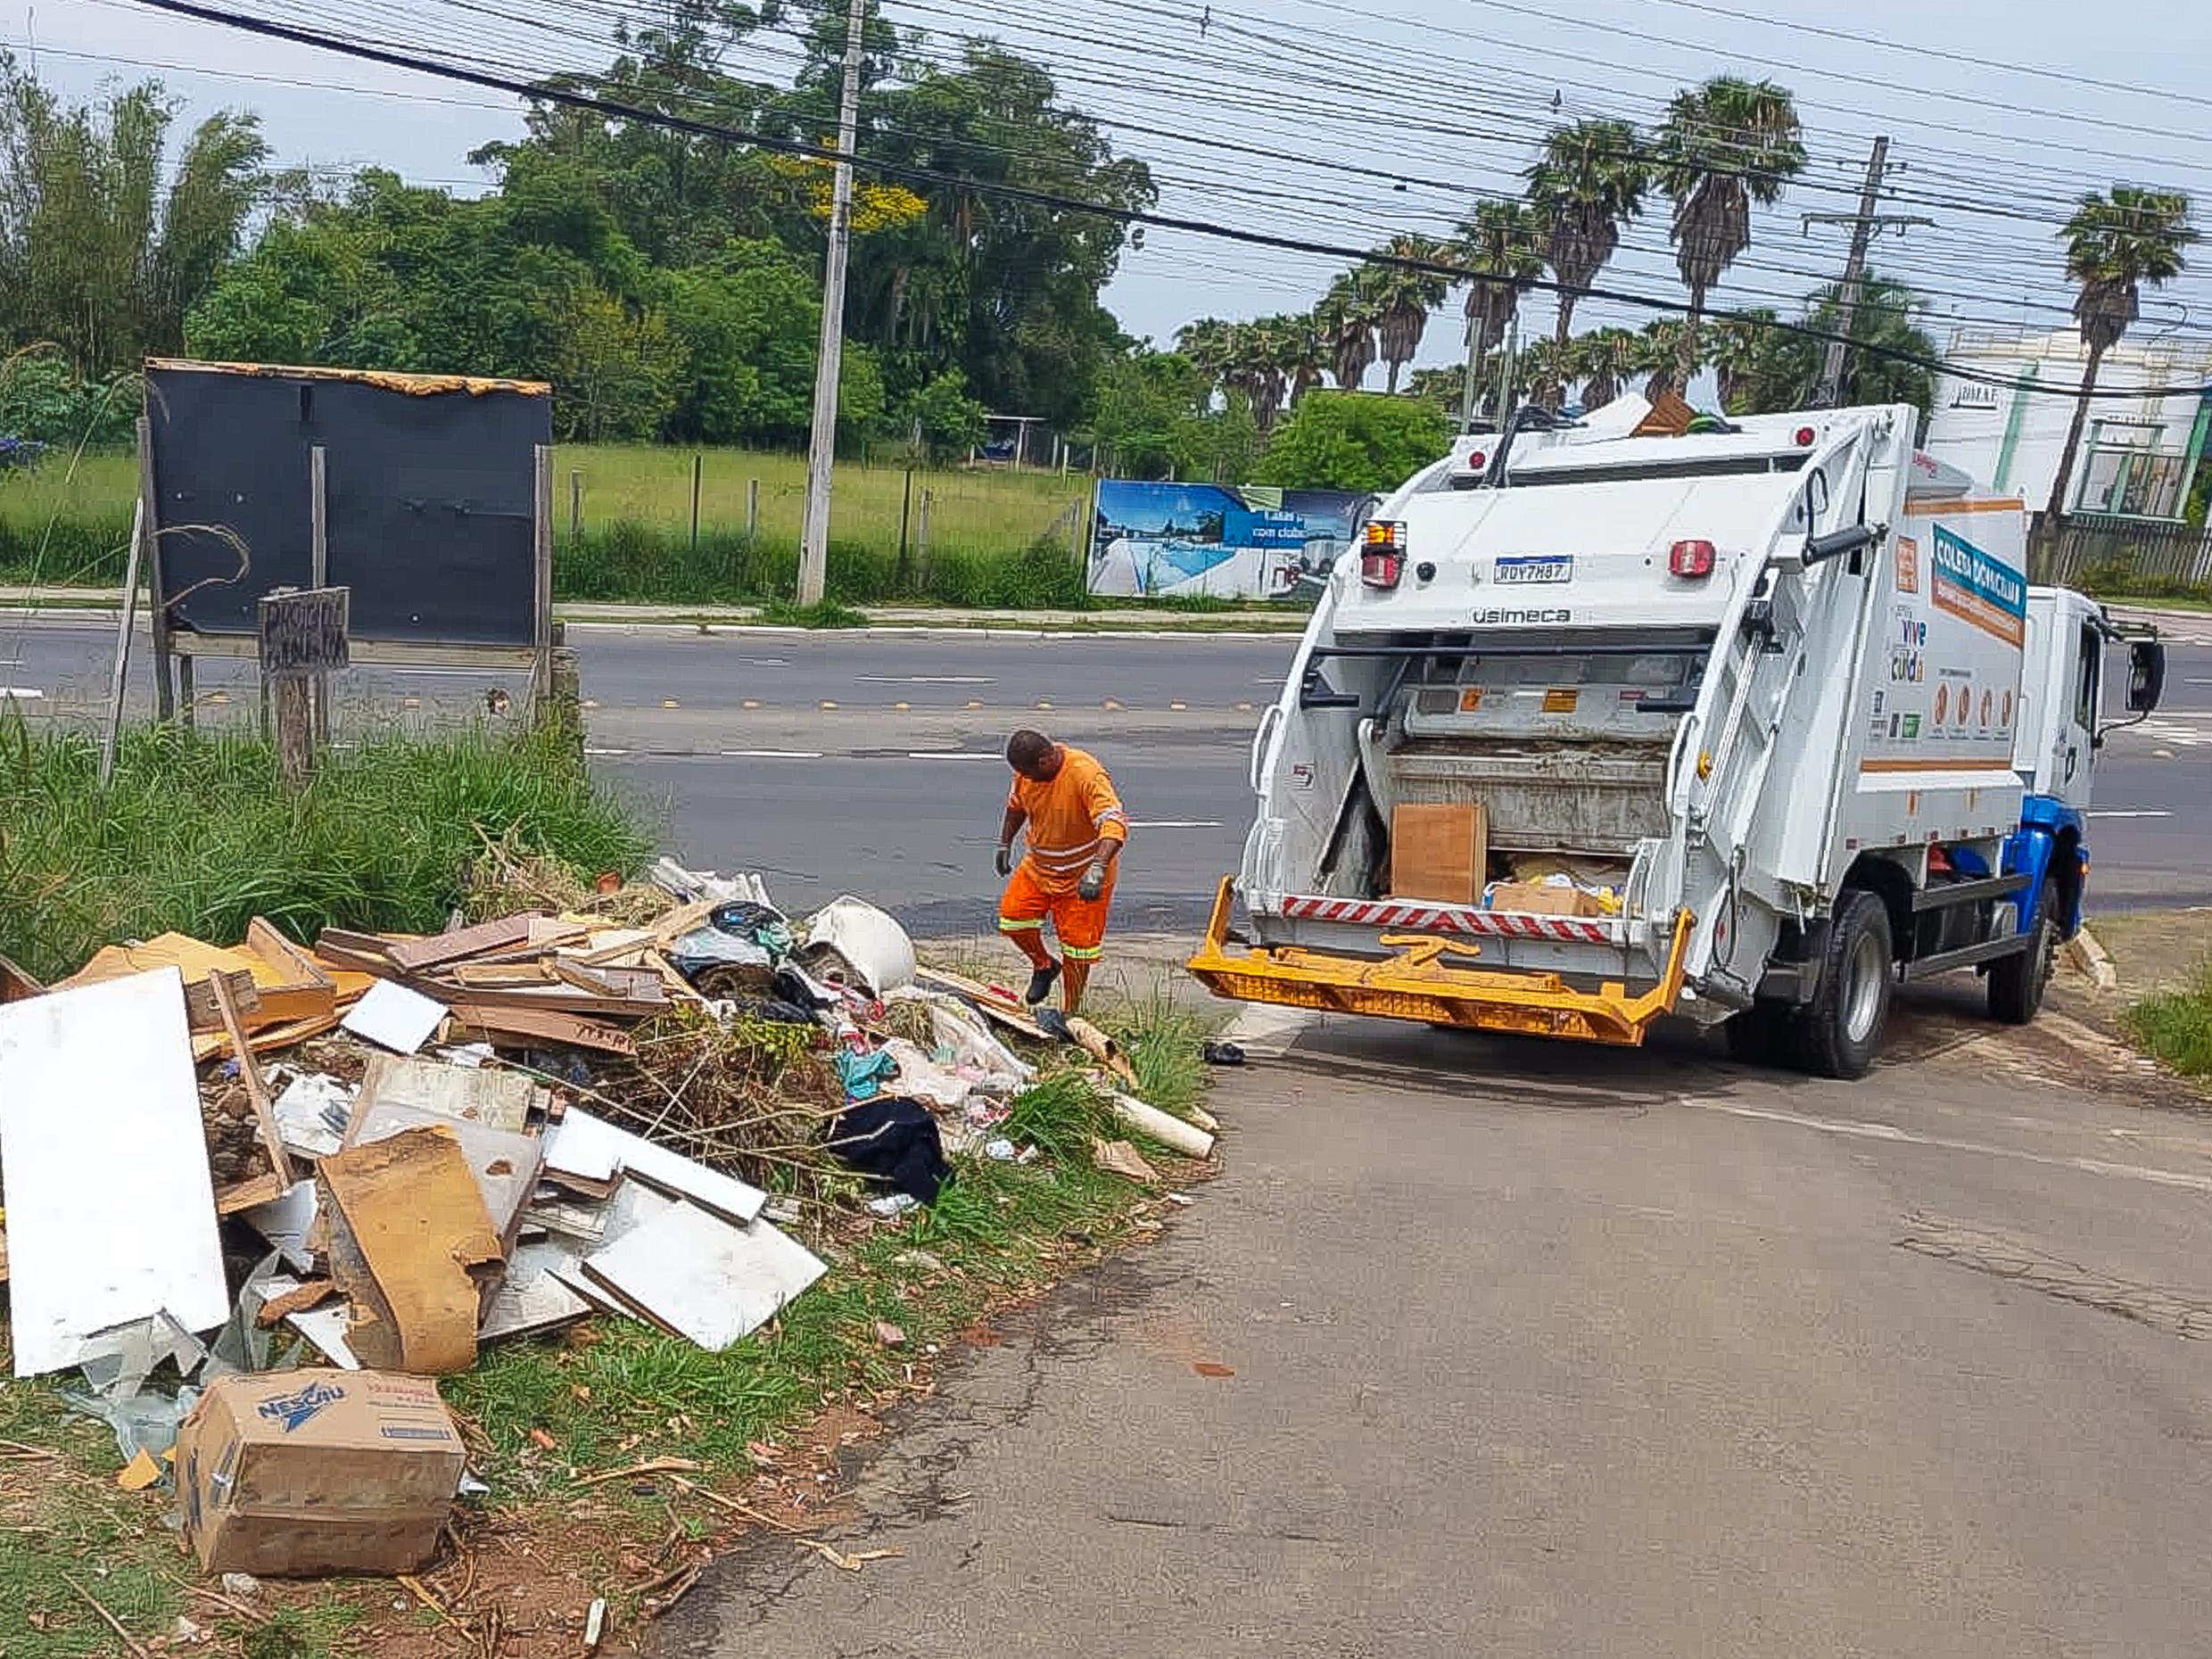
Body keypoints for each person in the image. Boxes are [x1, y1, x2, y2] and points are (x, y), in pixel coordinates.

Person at [994, 729, 1128, 1013]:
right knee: (1013, 919)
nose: (1025, 779)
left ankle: (1071, 1012)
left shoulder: (1084, 773)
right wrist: (1005, 843)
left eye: (1028, 773)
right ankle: (1044, 965)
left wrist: (1098, 868)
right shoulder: (1025, 776)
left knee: (1079, 950)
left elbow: (1114, 824)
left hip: (1083, 876)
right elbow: (1016, 806)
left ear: (1044, 760)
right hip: (1039, 869)